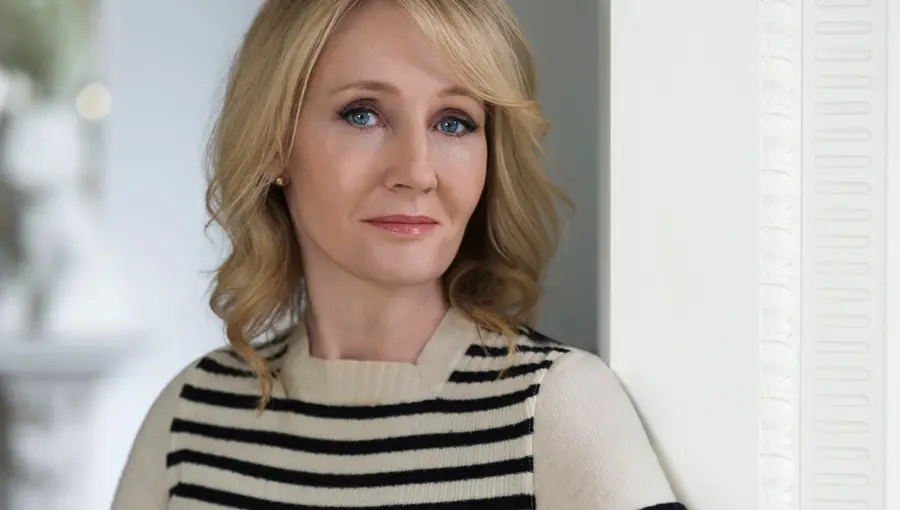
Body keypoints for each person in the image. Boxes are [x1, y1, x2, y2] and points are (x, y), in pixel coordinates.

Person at [112, 0, 686, 508]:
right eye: (363, 113)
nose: (416, 171)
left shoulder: (553, 410)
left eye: (454, 122)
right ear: (275, 144)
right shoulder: (190, 421)